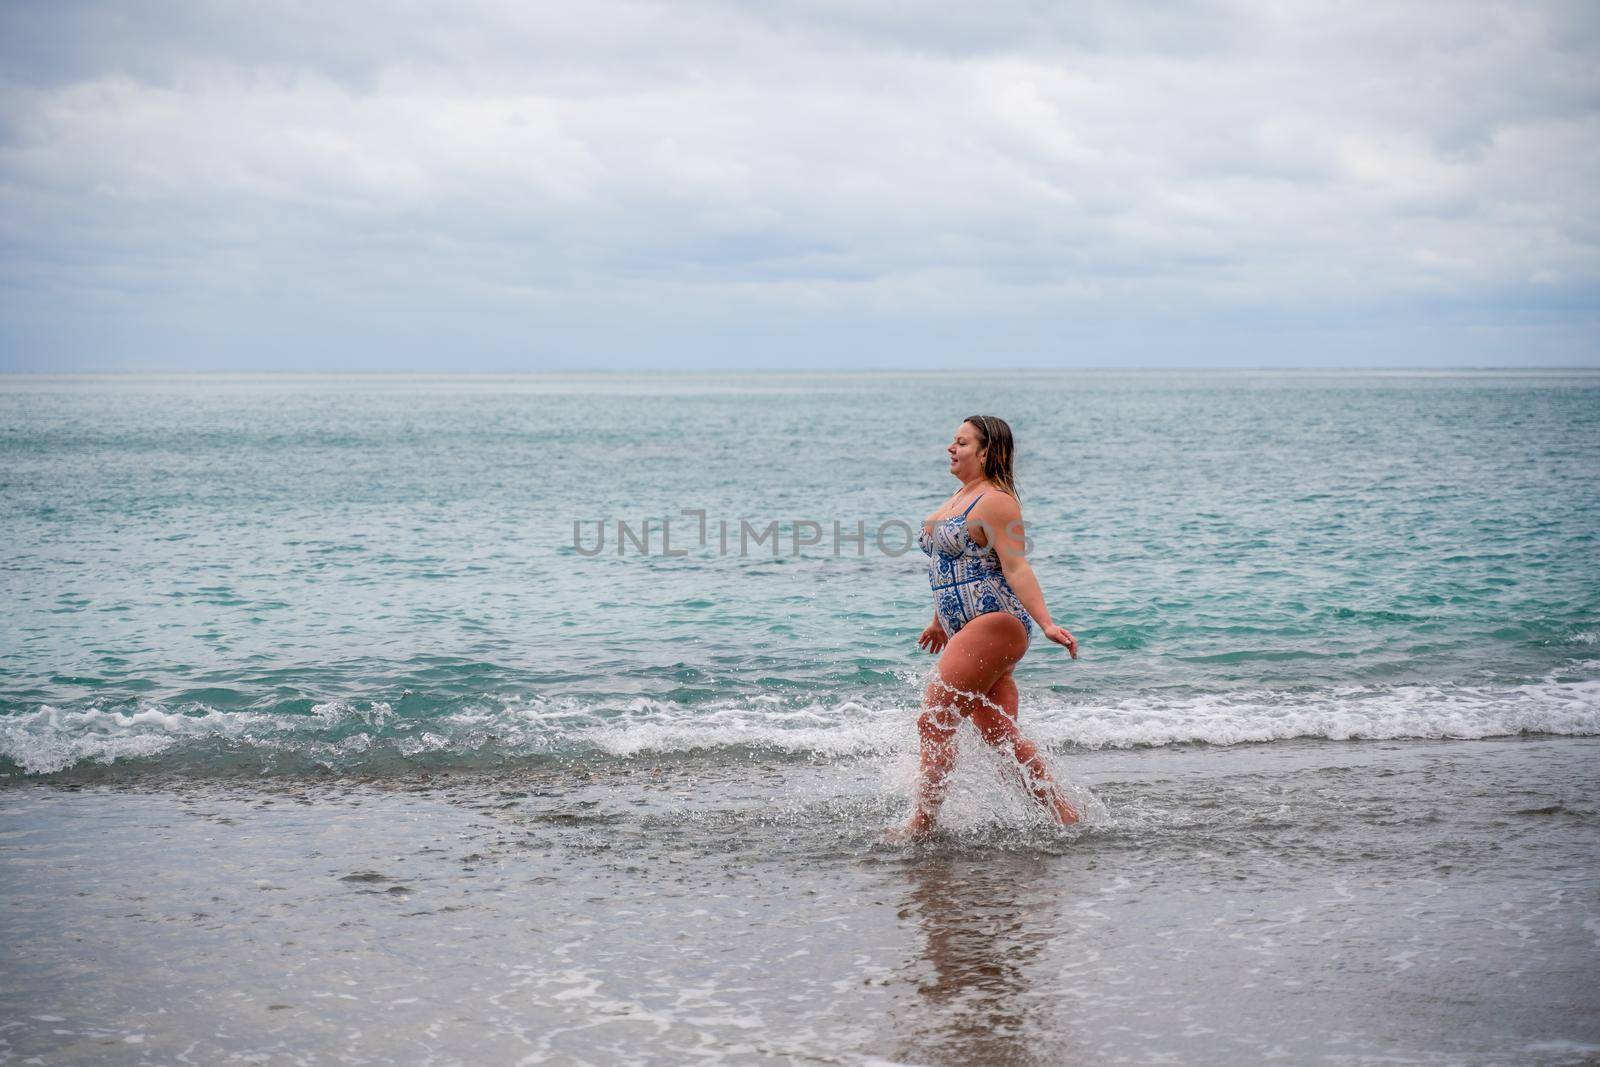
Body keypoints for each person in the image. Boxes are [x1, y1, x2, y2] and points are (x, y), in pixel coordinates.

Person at [898, 414, 1080, 838]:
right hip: (964, 627)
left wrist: (1047, 623)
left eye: (961, 442)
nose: (950, 448)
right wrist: (939, 621)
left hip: (995, 622)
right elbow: (950, 566)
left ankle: (922, 825)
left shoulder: (996, 501)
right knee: (997, 733)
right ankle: (1064, 816)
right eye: (952, 441)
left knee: (934, 718)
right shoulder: (961, 496)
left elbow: (1015, 568)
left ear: (986, 452)